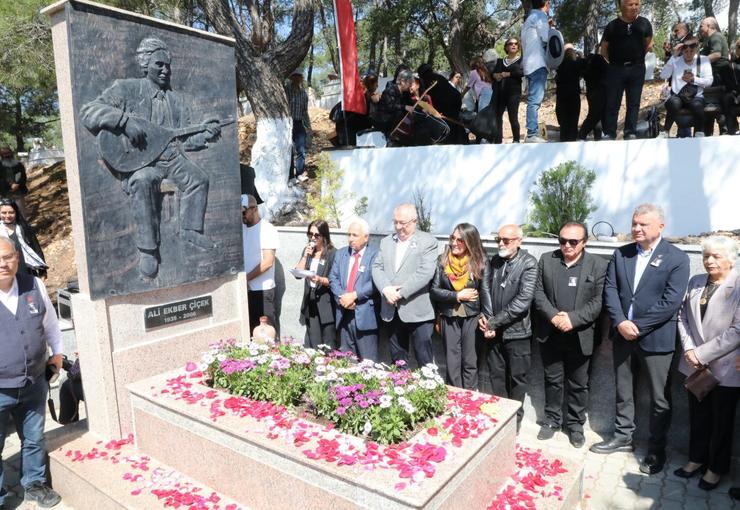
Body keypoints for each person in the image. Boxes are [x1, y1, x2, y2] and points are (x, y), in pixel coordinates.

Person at [81, 36, 220, 279]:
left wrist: (205, 135)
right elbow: (88, 111)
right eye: (159, 65)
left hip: (172, 158)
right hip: (139, 162)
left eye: (168, 66)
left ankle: (190, 230)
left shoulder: (176, 100)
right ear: (145, 65)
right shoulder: (126, 89)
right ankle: (148, 250)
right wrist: (123, 122)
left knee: (199, 179)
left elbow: (183, 139)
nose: (165, 70)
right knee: (143, 180)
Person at [591, 204, 690, 477]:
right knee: (624, 390)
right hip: (622, 335)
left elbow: (671, 301)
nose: (636, 228)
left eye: (643, 224)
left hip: (656, 339)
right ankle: (623, 437)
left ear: (660, 226)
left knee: (659, 398)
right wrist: (621, 322)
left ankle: (656, 449)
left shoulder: (677, 258)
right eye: (634, 223)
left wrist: (638, 325)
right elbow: (611, 289)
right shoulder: (621, 254)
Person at [532, 222, 608, 448]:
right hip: (551, 333)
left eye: (573, 242)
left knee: (579, 384)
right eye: (562, 240)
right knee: (552, 380)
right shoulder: (547, 260)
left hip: (581, 336)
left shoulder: (598, 265)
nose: (567, 245)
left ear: (584, 242)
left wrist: (572, 319)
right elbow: (538, 293)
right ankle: (552, 420)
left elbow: (599, 301)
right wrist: (554, 316)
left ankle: (575, 426)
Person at [0, 237, 63, 508]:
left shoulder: (34, 285)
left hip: (34, 381)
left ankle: (34, 484)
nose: (3, 264)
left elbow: (50, 323)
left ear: (17, 257)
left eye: (7, 257)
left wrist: (58, 354)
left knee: (34, 437)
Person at [674, 236, 739, 491]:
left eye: (716, 256)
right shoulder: (696, 281)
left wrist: (702, 354)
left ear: (731, 259)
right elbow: (682, 317)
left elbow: (738, 330)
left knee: (722, 421)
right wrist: (690, 349)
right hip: (695, 365)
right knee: (698, 416)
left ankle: (716, 468)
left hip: (726, 366)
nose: (709, 261)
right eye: (706, 256)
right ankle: (696, 459)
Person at [478, 224, 537, 428]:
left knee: (517, 379)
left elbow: (523, 301)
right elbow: (485, 289)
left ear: (519, 241)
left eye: (506, 240)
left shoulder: (529, 263)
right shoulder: (494, 261)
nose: (501, 244)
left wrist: (493, 322)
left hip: (517, 333)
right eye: (498, 240)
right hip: (494, 333)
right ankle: (502, 418)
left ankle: (515, 421)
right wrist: (486, 318)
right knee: (496, 377)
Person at [372, 203, 438, 368]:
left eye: (403, 223)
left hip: (417, 311)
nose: (398, 226)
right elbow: (377, 267)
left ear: (414, 221)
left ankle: (427, 385)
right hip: (391, 310)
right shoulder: (386, 242)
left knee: (425, 362)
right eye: (395, 222)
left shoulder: (427, 241)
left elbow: (425, 273)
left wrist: (400, 293)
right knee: (398, 361)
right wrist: (386, 289)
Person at [430, 223, 486, 389]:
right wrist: (457, 296)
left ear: (470, 241)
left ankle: (469, 396)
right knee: (452, 361)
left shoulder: (480, 261)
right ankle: (454, 396)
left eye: (460, 240)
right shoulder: (442, 260)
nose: (454, 243)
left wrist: (487, 317)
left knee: (470, 360)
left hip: (472, 316)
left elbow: (485, 291)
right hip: (448, 316)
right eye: (452, 238)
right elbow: (434, 290)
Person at [601, 0, 653, 140]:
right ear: (622, 6)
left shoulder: (644, 23)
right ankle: (609, 133)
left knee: (634, 103)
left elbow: (649, 44)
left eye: (637, 4)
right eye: (631, 4)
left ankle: (630, 132)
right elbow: (604, 49)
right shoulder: (612, 26)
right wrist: (613, 63)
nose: (634, 7)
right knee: (612, 103)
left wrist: (638, 57)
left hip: (637, 68)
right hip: (616, 69)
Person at [329, 218, 380, 361]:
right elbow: (333, 278)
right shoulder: (341, 253)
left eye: (355, 235)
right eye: (349, 234)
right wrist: (343, 297)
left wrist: (355, 295)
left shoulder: (376, 254)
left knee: (368, 363)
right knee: (346, 362)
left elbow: (376, 282)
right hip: (344, 312)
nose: (351, 239)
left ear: (366, 237)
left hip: (365, 314)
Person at [659, 37, 713, 138]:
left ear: (696, 49)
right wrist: (673, 56)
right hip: (678, 96)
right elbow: (663, 75)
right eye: (685, 51)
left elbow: (709, 81)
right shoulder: (676, 60)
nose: (688, 53)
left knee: (697, 105)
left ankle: (699, 132)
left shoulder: (703, 60)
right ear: (682, 50)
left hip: (696, 96)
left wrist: (694, 79)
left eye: (691, 51)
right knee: (673, 103)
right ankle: (665, 131)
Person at [242, 194, 280, 337]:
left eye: (244, 212)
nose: (242, 216)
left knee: (266, 335)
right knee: (250, 332)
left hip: (262, 290)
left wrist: (246, 278)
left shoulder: (267, 229)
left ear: (254, 209)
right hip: (245, 289)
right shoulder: (241, 228)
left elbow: (268, 261)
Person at [295, 220, 336, 349]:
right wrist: (305, 257)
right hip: (311, 300)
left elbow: (335, 280)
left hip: (326, 302)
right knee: (313, 340)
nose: (313, 238)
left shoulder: (332, 253)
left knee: (328, 342)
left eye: (316, 235)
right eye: (310, 234)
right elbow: (298, 274)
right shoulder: (308, 251)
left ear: (324, 236)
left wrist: (320, 280)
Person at [520, 0, 551, 143]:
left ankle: (533, 132)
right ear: (546, 3)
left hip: (529, 64)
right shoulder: (540, 16)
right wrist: (551, 28)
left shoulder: (528, 20)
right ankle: (532, 133)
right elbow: (546, 38)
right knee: (534, 100)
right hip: (538, 63)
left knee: (533, 100)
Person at [416, 64, 465, 144]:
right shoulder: (438, 76)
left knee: (449, 123)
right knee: (455, 120)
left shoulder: (425, 80)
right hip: (456, 98)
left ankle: (452, 140)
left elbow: (424, 97)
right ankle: (461, 140)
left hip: (447, 102)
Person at [0, 198, 47, 278]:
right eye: (4, 213)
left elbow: (36, 248)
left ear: (16, 212)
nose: (7, 216)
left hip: (28, 271)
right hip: (5, 274)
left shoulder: (24, 228)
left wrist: (43, 271)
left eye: (11, 212)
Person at [493, 38, 524, 144]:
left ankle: (516, 140)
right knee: (498, 116)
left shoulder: (521, 60)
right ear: (506, 47)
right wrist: (495, 75)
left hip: (514, 93)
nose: (513, 45)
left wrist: (508, 74)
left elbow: (522, 72)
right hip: (500, 93)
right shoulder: (500, 61)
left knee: (513, 117)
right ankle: (498, 141)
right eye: (510, 43)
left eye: (516, 44)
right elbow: (493, 73)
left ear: (518, 47)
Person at [285, 69, 312, 184]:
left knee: (301, 150)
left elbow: (305, 112)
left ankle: (299, 174)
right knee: (289, 150)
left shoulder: (304, 94)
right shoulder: (286, 90)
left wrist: (309, 127)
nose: (297, 78)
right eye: (295, 76)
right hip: (287, 124)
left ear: (301, 78)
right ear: (291, 77)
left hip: (299, 123)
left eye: (299, 76)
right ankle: (290, 176)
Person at [555, 45, 585, 142]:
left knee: (563, 119)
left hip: (561, 95)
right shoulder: (575, 63)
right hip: (573, 94)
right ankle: (572, 139)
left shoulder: (559, 65)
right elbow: (584, 66)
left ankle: (563, 138)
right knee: (573, 118)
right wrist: (581, 56)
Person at [578, 44, 608, 140]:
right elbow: (608, 72)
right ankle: (583, 133)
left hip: (591, 90)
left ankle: (597, 136)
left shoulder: (588, 61)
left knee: (596, 113)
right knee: (595, 114)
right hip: (599, 90)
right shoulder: (599, 59)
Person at [699, 17, 730, 87]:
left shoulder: (715, 36)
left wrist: (698, 62)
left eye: (701, 26)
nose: (700, 29)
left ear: (708, 26)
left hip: (718, 74)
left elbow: (716, 55)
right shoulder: (712, 37)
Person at [0, 144, 28, 216]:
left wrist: (18, 184)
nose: (7, 155)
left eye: (8, 153)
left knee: (21, 213)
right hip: (5, 194)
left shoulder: (18, 164)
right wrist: (9, 186)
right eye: (4, 154)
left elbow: (23, 177)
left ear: (11, 153)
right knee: (8, 214)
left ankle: (23, 223)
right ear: (1, 155)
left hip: (19, 192)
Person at [722, 40, 740, 135]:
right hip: (734, 95)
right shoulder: (730, 66)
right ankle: (732, 131)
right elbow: (727, 83)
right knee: (727, 98)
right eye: (739, 47)